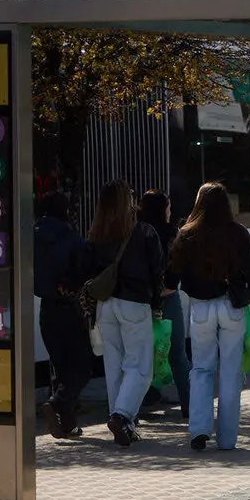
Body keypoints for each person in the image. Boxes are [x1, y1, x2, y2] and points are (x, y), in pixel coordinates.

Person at [167, 182, 250, 452]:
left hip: (200, 308)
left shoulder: (186, 234)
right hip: (231, 307)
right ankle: (228, 440)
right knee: (230, 372)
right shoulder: (238, 233)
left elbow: (173, 275)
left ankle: (198, 429)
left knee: (201, 369)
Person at [87, 180, 165, 447]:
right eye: (131, 195)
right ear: (126, 201)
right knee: (140, 366)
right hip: (134, 304)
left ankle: (120, 419)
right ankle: (122, 416)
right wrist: (157, 303)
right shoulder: (144, 232)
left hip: (105, 304)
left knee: (114, 364)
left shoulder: (96, 233)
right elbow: (157, 272)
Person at [34, 192, 92, 438]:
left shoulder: (32, 235)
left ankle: (67, 424)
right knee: (82, 366)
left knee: (60, 367)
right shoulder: (70, 236)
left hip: (46, 307)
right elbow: (84, 270)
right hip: (69, 308)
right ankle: (57, 403)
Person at [139, 190, 191, 418]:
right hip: (168, 299)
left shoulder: (136, 234)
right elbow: (175, 275)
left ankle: (137, 404)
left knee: (141, 354)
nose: (170, 212)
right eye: (168, 208)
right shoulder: (173, 235)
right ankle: (190, 406)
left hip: (140, 302)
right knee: (177, 354)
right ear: (163, 210)